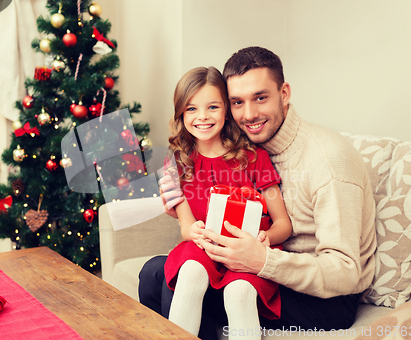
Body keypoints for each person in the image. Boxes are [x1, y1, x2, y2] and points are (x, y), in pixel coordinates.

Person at [139, 47, 377, 339]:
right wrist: (182, 212)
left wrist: (261, 260)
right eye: (238, 102)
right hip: (259, 265)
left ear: (285, 93)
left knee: (162, 278)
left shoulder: (329, 161)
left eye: (260, 98)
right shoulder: (250, 144)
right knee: (157, 272)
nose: (249, 114)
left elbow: (344, 272)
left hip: (323, 299)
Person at [163, 66, 292, 339]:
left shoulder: (254, 157)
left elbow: (283, 224)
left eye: (212, 107)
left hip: (248, 251)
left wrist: (264, 238)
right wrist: (193, 231)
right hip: (205, 248)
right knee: (190, 273)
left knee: (239, 292)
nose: (202, 117)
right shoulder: (176, 163)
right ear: (180, 114)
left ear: (226, 110)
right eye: (191, 109)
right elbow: (186, 227)